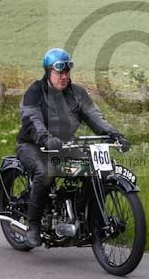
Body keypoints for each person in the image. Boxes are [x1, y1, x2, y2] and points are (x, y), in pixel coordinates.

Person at [15, 48, 131, 247]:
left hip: (65, 145)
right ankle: (33, 225)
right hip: (33, 145)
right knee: (45, 172)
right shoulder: (35, 92)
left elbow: (94, 116)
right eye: (59, 72)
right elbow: (32, 118)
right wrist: (45, 138)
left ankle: (82, 217)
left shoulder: (77, 93)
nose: (64, 76)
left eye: (67, 72)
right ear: (48, 71)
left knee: (99, 170)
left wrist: (114, 134)